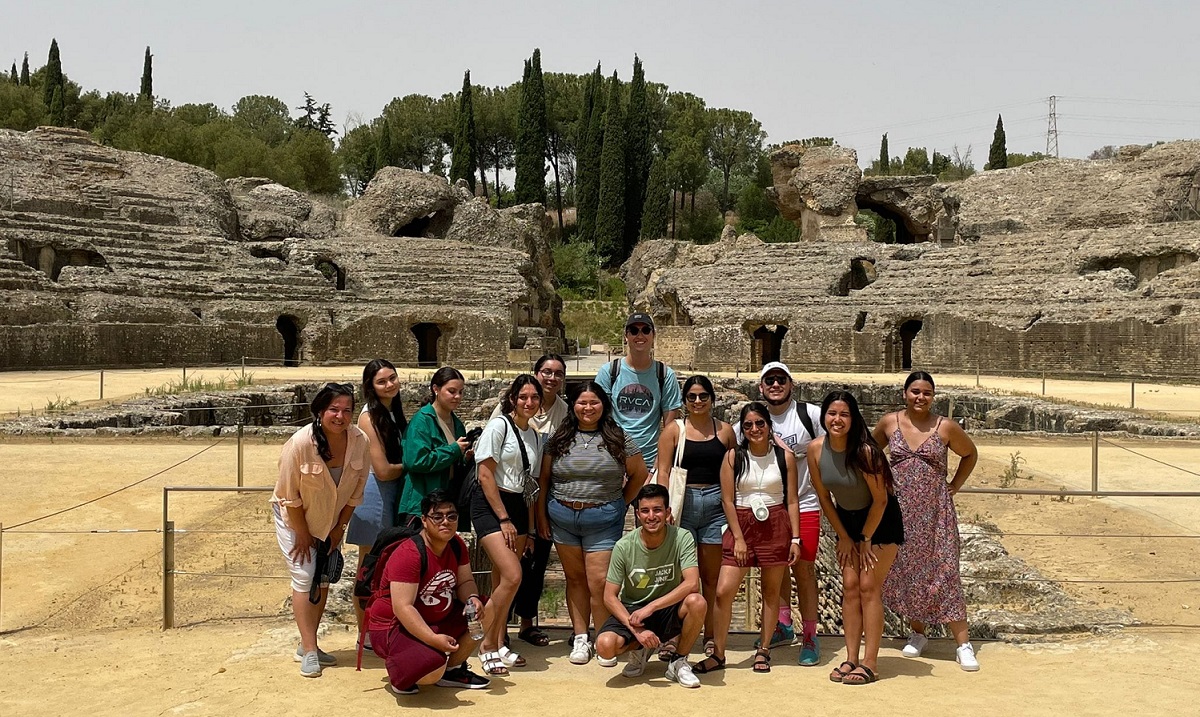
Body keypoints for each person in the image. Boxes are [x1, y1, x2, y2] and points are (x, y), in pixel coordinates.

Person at [873, 371, 981, 671]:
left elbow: (969, 454)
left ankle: (963, 643)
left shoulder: (945, 427)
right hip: (899, 510)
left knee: (945, 571)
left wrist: (955, 485)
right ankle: (918, 633)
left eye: (927, 393)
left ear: (933, 396)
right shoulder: (888, 423)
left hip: (936, 512)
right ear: (905, 392)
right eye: (915, 391)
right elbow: (868, 454)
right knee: (908, 570)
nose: (920, 397)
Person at [537, 381, 649, 665]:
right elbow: (545, 480)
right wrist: (541, 516)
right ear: (572, 406)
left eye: (594, 402)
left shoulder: (618, 437)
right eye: (582, 403)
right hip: (563, 518)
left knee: (599, 582)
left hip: (603, 519)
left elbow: (639, 474)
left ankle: (602, 637)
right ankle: (580, 637)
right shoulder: (558, 439)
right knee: (574, 580)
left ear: (604, 405)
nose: (588, 408)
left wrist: (621, 502)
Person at [271, 382, 370, 677]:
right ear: (320, 411)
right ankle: (309, 650)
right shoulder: (300, 444)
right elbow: (290, 496)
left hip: (331, 520)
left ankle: (308, 643)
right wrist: (302, 534)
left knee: (323, 576)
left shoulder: (359, 441)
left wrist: (339, 528)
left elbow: (356, 491)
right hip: (294, 517)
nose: (340, 416)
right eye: (333, 410)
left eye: (347, 410)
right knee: (304, 574)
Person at [809, 390, 905, 685]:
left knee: (868, 586)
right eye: (832, 413)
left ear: (853, 419)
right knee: (849, 587)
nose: (837, 420)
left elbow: (881, 501)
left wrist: (864, 539)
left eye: (844, 414)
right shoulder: (815, 449)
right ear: (824, 416)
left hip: (879, 522)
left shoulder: (865, 451)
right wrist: (843, 536)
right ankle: (851, 657)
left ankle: (871, 663)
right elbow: (824, 498)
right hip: (848, 522)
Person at [734, 362, 825, 665]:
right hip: (768, 510)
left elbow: (836, 441)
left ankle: (810, 635)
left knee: (804, 570)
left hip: (804, 502)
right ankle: (783, 626)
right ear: (761, 387)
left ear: (791, 384)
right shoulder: (752, 420)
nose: (775, 385)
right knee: (776, 569)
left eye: (780, 379)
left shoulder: (809, 415)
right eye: (769, 380)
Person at [703, 402, 801, 675]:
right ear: (742, 429)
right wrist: (739, 538)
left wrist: (795, 538)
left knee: (771, 593)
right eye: (748, 425)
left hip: (775, 523)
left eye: (760, 423)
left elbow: (792, 500)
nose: (755, 429)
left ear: (769, 425)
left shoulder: (785, 457)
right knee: (723, 591)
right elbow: (727, 500)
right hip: (743, 525)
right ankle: (719, 653)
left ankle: (764, 649)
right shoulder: (734, 457)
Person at [364, 490, 491, 695]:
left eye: (451, 516)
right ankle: (400, 672)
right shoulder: (410, 553)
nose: (445, 522)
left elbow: (465, 580)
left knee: (488, 608)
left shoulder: (456, 545)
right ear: (424, 520)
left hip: (435, 616)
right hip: (394, 625)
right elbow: (402, 608)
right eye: (437, 516)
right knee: (432, 670)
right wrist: (433, 639)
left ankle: (454, 669)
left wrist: (472, 598)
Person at [653, 374, 736, 659]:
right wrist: (664, 509)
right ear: (685, 401)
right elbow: (663, 471)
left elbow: (735, 470)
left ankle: (710, 636)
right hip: (682, 504)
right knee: (679, 578)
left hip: (714, 505)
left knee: (711, 578)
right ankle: (673, 636)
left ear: (712, 399)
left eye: (703, 396)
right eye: (692, 397)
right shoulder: (674, 431)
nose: (698, 401)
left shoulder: (725, 432)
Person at [491, 353, 569, 648]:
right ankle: (498, 631)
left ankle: (526, 622)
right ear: (536, 373)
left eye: (558, 373)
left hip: (541, 494)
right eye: (546, 372)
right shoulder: (507, 410)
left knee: (534, 563)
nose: (552, 378)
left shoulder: (564, 411)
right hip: (509, 496)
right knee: (508, 566)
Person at [595, 484, 706, 689]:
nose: (651, 516)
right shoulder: (624, 546)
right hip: (634, 609)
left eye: (657, 510)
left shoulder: (682, 537)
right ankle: (640, 648)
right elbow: (609, 596)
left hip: (667, 607)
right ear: (637, 514)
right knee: (604, 646)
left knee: (697, 602)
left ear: (667, 512)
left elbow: (692, 582)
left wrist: (652, 607)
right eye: (645, 511)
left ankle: (678, 661)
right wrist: (636, 631)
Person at [472, 373, 545, 676]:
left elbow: (529, 485)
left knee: (504, 578)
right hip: (492, 504)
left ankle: (500, 641)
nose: (529, 402)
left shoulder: (535, 435)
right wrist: (503, 518)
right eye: (523, 396)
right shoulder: (499, 425)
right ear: (513, 398)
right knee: (514, 576)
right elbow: (485, 474)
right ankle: (484, 643)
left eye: (534, 397)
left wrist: (527, 528)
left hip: (516, 505)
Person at [348, 359, 408, 643]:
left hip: (390, 493)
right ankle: (365, 634)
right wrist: (417, 464)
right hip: (375, 494)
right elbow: (383, 470)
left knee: (385, 566)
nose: (390, 385)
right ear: (370, 387)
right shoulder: (368, 417)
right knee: (369, 568)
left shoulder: (391, 412)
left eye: (392, 378)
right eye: (382, 381)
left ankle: (378, 628)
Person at [594, 312, 682, 469]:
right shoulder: (609, 372)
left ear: (653, 335)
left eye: (645, 330)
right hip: (614, 459)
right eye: (634, 331)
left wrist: (659, 464)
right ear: (626, 336)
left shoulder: (665, 375)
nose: (639, 335)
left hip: (649, 462)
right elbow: (600, 420)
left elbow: (670, 427)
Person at [399, 367, 471, 526]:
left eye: (461, 392)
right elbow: (415, 461)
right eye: (451, 391)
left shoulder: (457, 424)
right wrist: (454, 450)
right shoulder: (422, 421)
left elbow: (452, 463)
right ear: (436, 389)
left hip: (445, 500)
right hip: (421, 502)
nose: (457, 397)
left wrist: (465, 457)